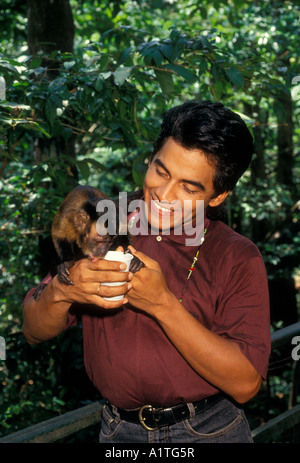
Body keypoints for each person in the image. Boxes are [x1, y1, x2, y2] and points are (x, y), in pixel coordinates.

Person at [22, 100, 271, 443]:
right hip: (117, 430)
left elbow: (245, 384)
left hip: (209, 431)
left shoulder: (237, 257)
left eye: (189, 187)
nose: (164, 194)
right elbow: (33, 330)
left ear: (218, 196)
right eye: (161, 171)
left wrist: (161, 304)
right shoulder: (105, 221)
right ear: (151, 158)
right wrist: (62, 290)